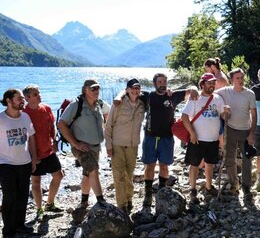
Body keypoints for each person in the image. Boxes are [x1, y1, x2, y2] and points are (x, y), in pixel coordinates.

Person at [138, 73, 198, 208]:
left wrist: (194, 89)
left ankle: (161, 189)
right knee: (150, 165)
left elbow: (191, 89)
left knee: (164, 165)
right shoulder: (148, 96)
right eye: (160, 82)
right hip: (150, 136)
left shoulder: (173, 96)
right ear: (154, 83)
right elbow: (129, 91)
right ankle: (148, 194)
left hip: (167, 137)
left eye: (165, 81)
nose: (163, 84)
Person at [57, 79, 107, 208]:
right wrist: (76, 144)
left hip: (96, 147)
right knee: (93, 170)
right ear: (85, 90)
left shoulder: (98, 104)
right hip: (82, 147)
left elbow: (111, 111)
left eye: (97, 88)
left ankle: (84, 201)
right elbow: (61, 124)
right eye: (93, 89)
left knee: (87, 173)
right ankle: (101, 201)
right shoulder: (76, 105)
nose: (96, 91)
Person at [182, 73, 229, 204]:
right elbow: (185, 117)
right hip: (197, 139)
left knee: (210, 164)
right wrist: (192, 133)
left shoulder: (218, 98)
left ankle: (209, 187)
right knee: (194, 164)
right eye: (209, 83)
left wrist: (226, 112)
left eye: (213, 82)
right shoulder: (195, 98)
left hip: (213, 139)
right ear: (202, 84)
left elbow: (222, 116)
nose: (212, 85)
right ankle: (192, 190)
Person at [0, 89, 37, 238]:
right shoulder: (1, 119)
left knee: (22, 195)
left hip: (25, 162)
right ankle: (8, 232)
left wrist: (34, 157)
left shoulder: (25, 117)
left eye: (23, 98)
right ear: (9, 100)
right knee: (10, 196)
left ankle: (20, 225)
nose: (23, 101)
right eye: (19, 98)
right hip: (5, 163)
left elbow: (31, 137)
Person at [23, 85, 64, 221]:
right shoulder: (23, 113)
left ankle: (50, 203)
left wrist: (55, 141)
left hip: (48, 150)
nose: (39, 96)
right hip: (32, 154)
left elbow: (52, 127)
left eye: (39, 93)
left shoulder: (46, 108)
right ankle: (39, 209)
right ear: (27, 98)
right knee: (36, 181)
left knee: (58, 175)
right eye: (36, 94)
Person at [105, 78, 145, 214]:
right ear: (127, 90)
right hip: (117, 145)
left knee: (129, 174)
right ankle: (121, 205)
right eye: (132, 88)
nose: (135, 90)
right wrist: (108, 146)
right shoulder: (118, 104)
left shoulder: (142, 103)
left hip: (133, 146)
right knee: (119, 175)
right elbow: (108, 125)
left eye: (137, 88)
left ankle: (129, 200)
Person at [216, 68, 257, 199]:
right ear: (232, 79)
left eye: (242, 77)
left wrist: (252, 133)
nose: (240, 80)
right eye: (237, 78)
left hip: (245, 130)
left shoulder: (250, 94)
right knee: (229, 158)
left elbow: (254, 115)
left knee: (247, 159)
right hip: (230, 129)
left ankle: (246, 186)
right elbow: (210, 94)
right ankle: (234, 183)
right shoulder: (225, 91)